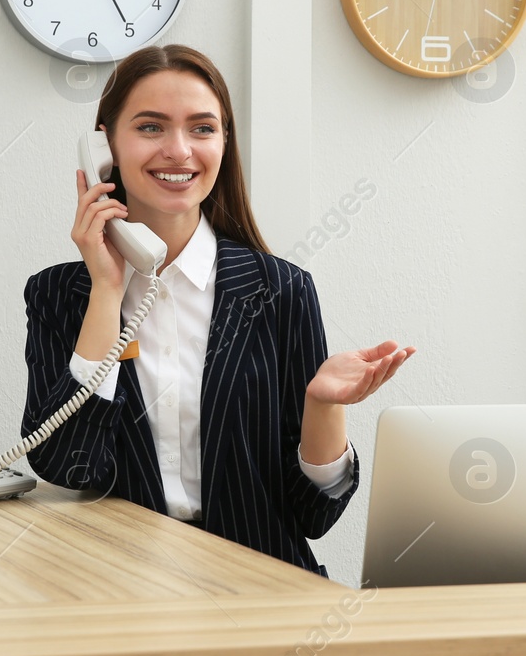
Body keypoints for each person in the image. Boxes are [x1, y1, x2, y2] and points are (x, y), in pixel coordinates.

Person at [21, 44, 415, 577]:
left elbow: (315, 513)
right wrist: (107, 294)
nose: (179, 150)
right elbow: (67, 465)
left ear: (225, 144)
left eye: (202, 129)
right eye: (151, 127)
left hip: (260, 585)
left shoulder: (281, 291)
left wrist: (322, 407)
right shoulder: (57, 296)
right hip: (117, 587)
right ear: (104, 145)